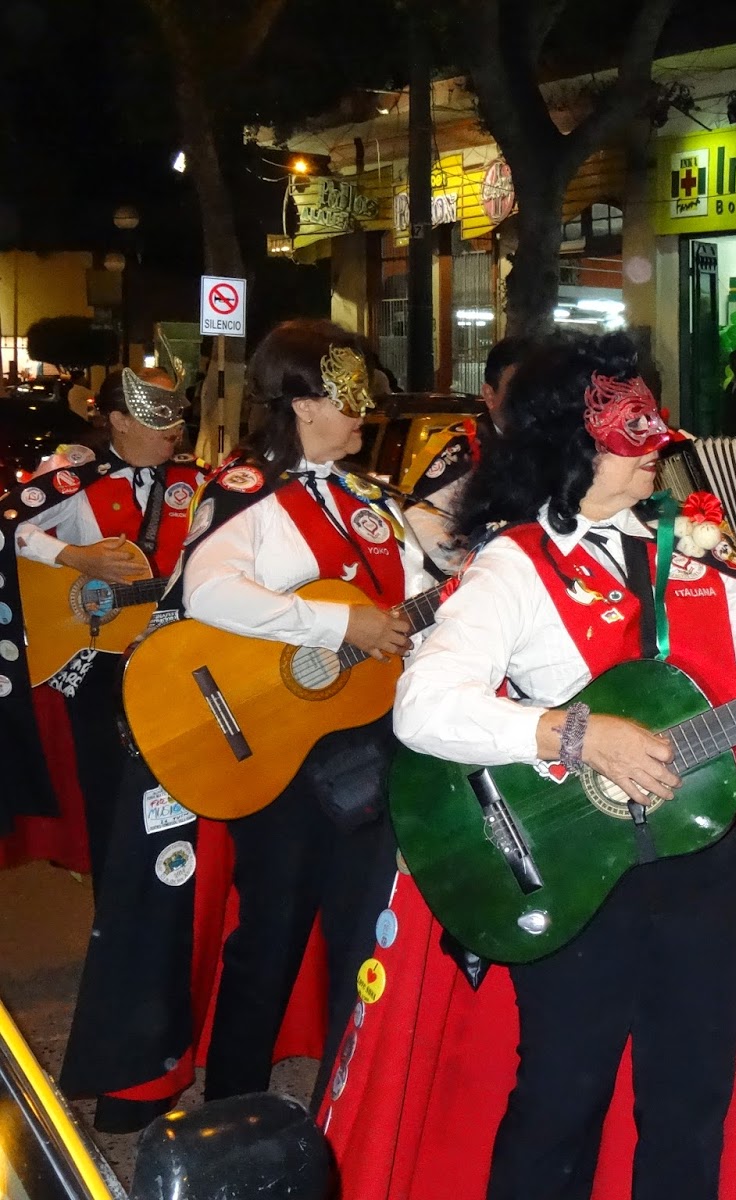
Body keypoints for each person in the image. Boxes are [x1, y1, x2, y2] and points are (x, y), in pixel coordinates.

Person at [316, 331, 736, 1200]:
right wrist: (575, 735)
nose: (656, 458)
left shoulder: (678, 552)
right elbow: (423, 706)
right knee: (560, 1106)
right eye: (632, 442)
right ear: (573, 448)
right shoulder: (512, 567)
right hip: (577, 876)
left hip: (699, 870)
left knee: (691, 1105)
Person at [59, 319, 433, 1130]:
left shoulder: (371, 499)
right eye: (348, 397)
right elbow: (209, 591)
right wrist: (336, 628)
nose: (364, 414)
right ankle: (231, 1106)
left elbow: (413, 595)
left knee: (360, 934)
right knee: (272, 930)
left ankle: (347, 1105)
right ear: (301, 403)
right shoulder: (247, 489)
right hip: (277, 748)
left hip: (368, 743)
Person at [8, 369, 202, 885]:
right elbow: (11, 527)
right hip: (97, 658)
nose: (174, 429)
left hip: (177, 651)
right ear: (117, 419)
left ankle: (171, 890)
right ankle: (112, 898)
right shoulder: (73, 469)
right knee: (109, 787)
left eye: (178, 416)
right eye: (157, 416)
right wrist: (72, 555)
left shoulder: (196, 480)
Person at [406, 335, 529, 570]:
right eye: (519, 390)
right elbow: (418, 520)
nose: (530, 401)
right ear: (489, 395)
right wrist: (473, 569)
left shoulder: (558, 443)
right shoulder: (465, 446)